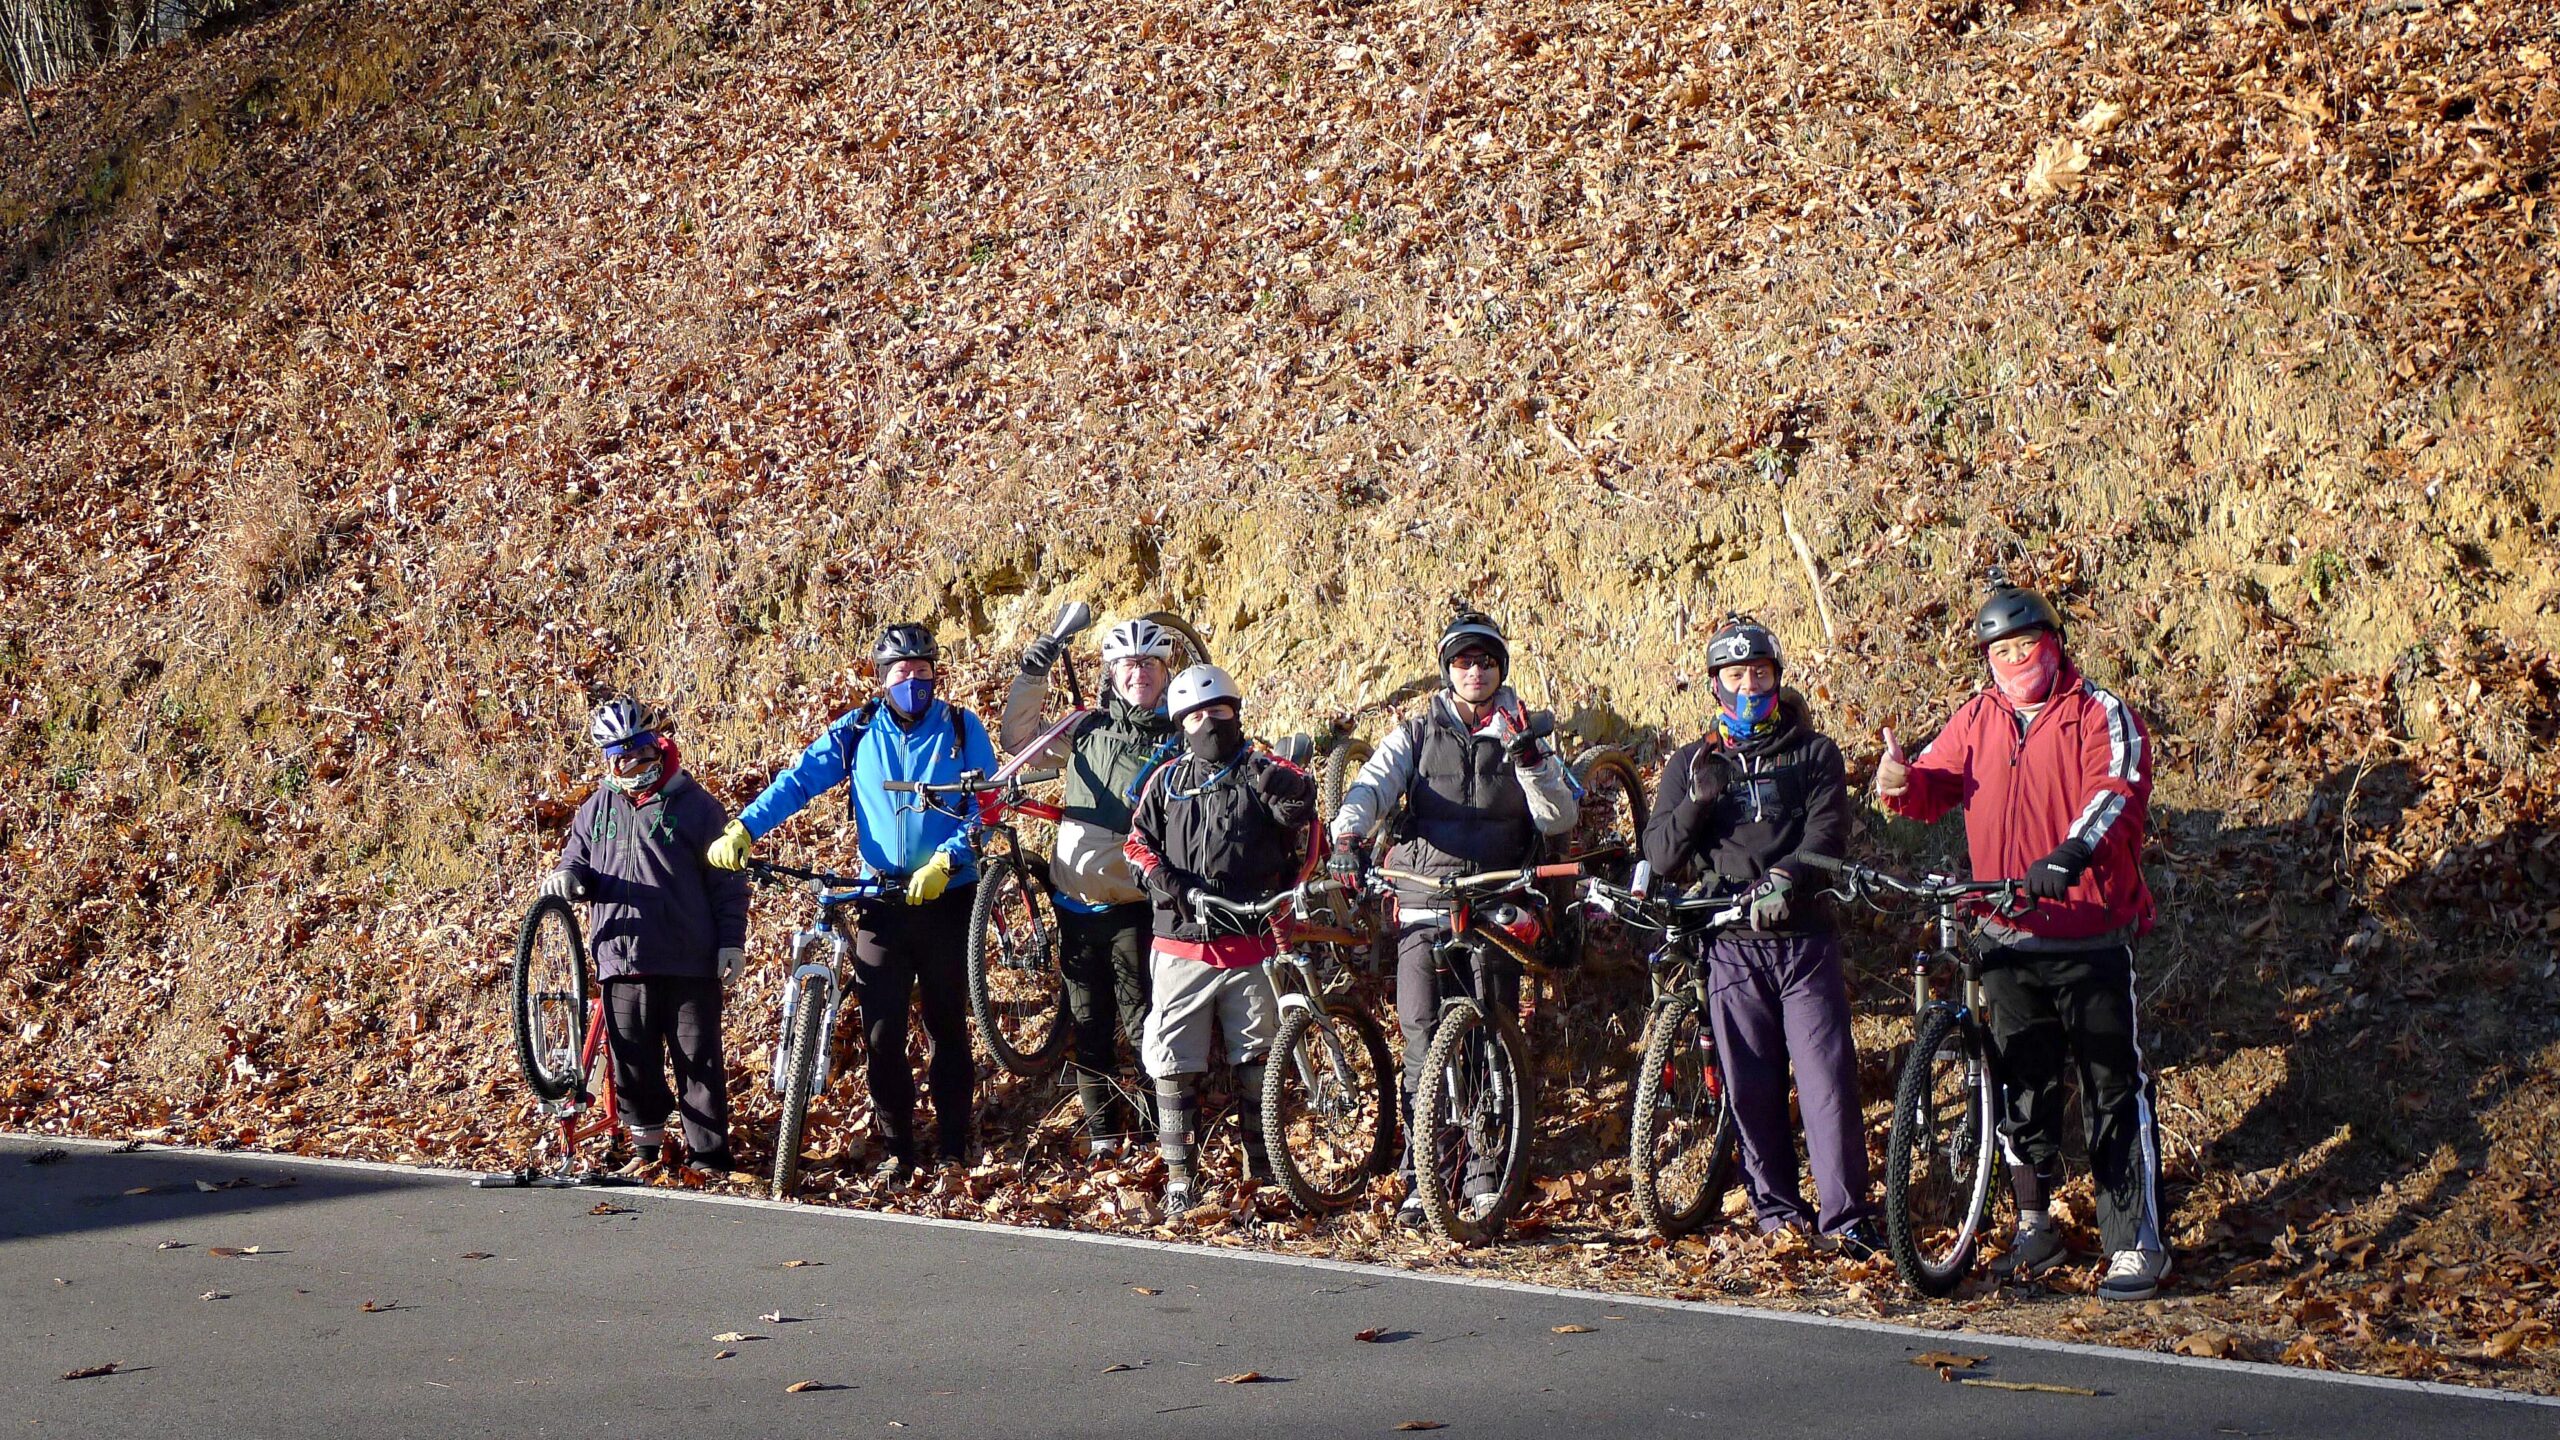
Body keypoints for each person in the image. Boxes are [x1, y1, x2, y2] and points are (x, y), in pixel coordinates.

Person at [1874, 575, 2165, 1300]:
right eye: (2000, 649)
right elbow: (1931, 785)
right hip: (2003, 931)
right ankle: (2034, 1224)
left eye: (2026, 644)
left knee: (2110, 1086)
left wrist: (2070, 855)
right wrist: (1898, 780)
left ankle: (2136, 1241)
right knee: (2020, 1087)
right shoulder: (1976, 716)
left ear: (2054, 644)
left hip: (2088, 929)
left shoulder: (2100, 711)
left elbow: (2119, 792)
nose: (2015, 660)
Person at [706, 623, 998, 1186]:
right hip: (881, 903)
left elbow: (985, 808)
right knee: (883, 1034)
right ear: (881, 676)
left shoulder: (962, 728)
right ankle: (898, 1147)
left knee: (947, 1026)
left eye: (921, 669)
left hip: (946, 899)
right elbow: (799, 781)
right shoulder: (859, 729)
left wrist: (946, 860)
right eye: (900, 670)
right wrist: (745, 827)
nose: (912, 679)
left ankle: (954, 1144)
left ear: (936, 672)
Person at [1326, 608, 1579, 1229]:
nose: (1475, 670)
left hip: (1494, 897)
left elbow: (1560, 817)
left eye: (1486, 660)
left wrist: (1528, 758)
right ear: (1447, 670)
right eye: (1463, 661)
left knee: (1490, 1029)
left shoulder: (1526, 732)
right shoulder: (1416, 733)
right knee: (1420, 1033)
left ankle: (1487, 1170)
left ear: (1501, 669)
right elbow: (1372, 786)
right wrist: (1348, 833)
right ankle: (1424, 1174)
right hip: (1425, 896)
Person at [1640, 615, 1880, 1257]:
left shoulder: (1814, 752)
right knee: (1751, 1082)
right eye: (1736, 674)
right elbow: (1661, 856)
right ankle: (1777, 1212)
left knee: (1826, 1081)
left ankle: (1847, 1218)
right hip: (1730, 945)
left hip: (1804, 941)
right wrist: (1695, 801)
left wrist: (1786, 877)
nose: (1750, 685)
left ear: (1778, 678)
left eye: (1761, 673)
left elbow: (1828, 838)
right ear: (1715, 683)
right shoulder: (1691, 761)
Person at [1122, 664, 1317, 1217]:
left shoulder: (1258, 768)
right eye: (1196, 716)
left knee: (1258, 1058)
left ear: (1236, 711)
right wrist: (1171, 884)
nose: (1209, 723)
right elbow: (1137, 846)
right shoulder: (1165, 782)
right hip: (1180, 944)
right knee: (1172, 1062)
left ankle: (1263, 1168)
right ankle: (1181, 1176)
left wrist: (1287, 783)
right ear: (1180, 723)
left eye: (1220, 711)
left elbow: (1299, 812)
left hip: (1251, 941)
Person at [543, 697, 749, 1178]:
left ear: (656, 745)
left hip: (688, 959)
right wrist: (568, 880)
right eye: (616, 753)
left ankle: (709, 1158)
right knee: (632, 1060)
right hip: (621, 956)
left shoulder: (698, 807)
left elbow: (728, 882)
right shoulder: (596, 809)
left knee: (698, 1060)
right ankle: (647, 1150)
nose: (627, 761)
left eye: (636, 748)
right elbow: (576, 861)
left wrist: (730, 942)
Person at [1001, 615, 1185, 1155]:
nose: (1139, 674)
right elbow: (1021, 745)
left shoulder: (1180, 737)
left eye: (1149, 664)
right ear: (1112, 672)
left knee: (1144, 1024)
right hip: (1074, 904)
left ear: (1165, 670)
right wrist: (1032, 674)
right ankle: (1104, 1134)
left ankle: (1159, 1138)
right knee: (1088, 1023)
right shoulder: (1084, 728)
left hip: (1135, 906)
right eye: (1129, 665)